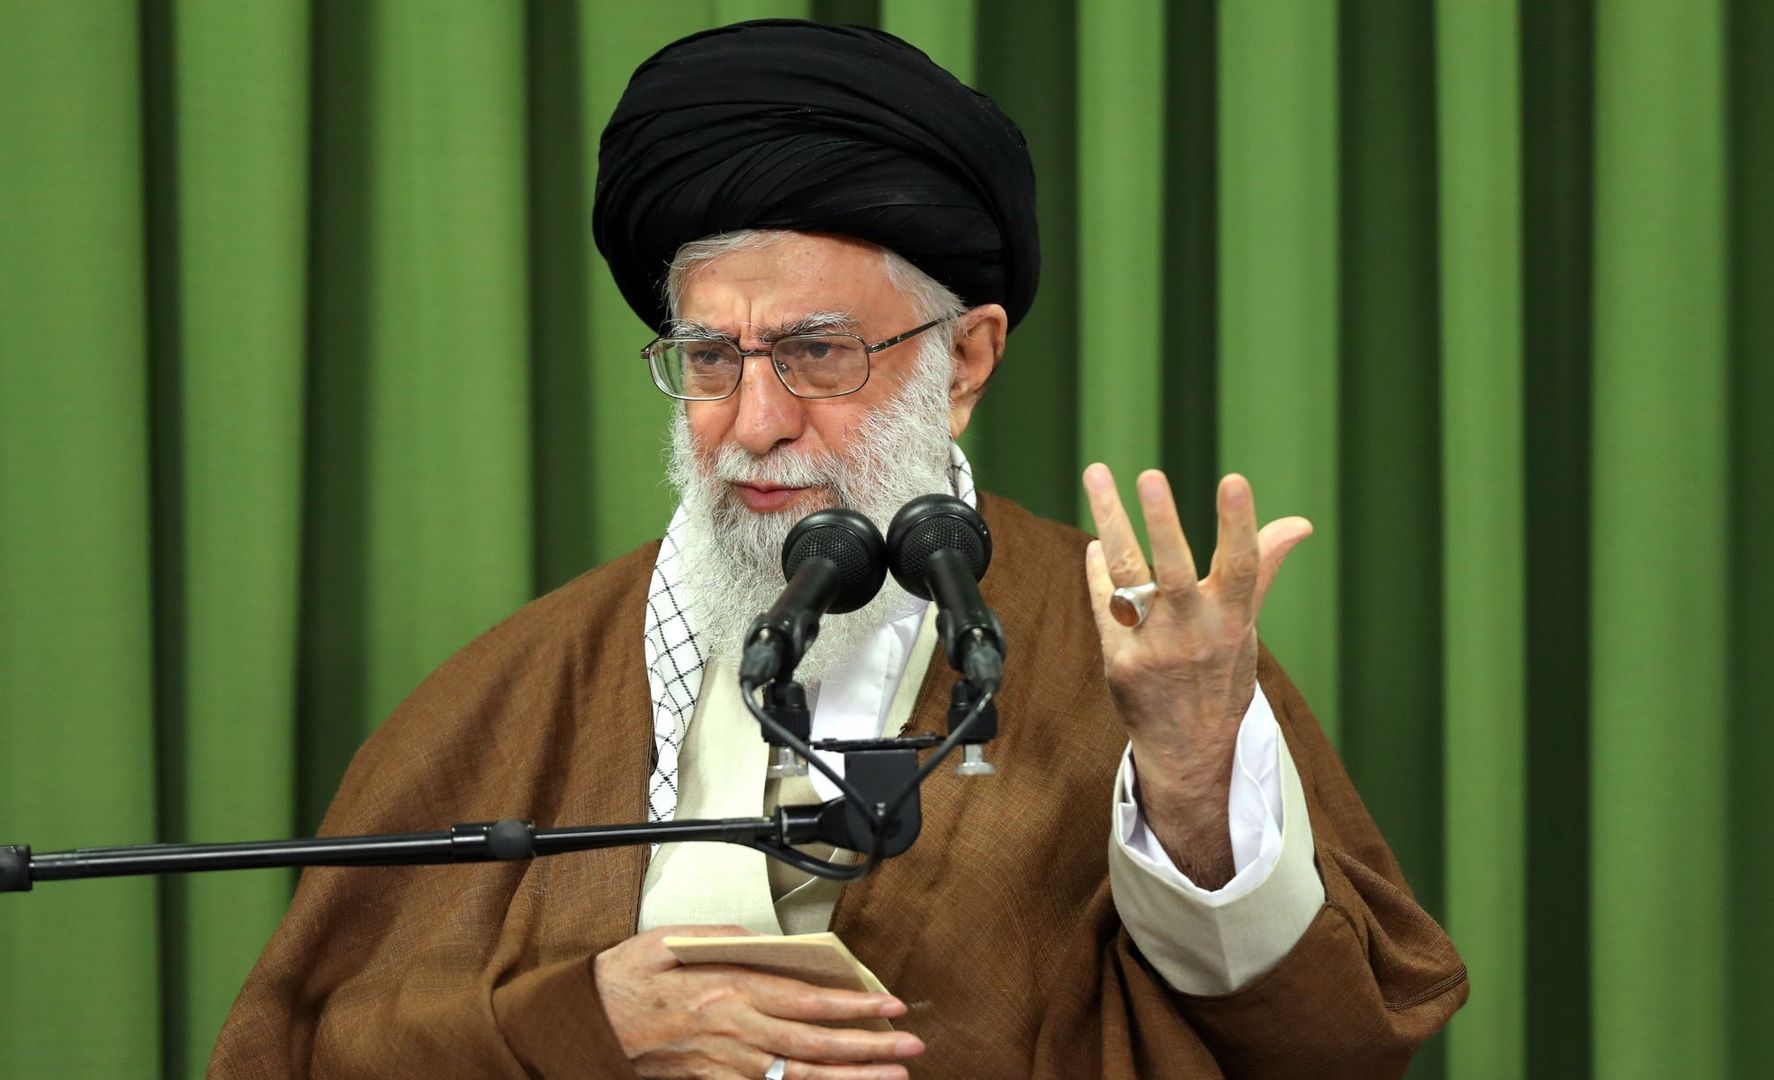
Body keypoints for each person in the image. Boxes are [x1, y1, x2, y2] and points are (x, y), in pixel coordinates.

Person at [211, 19, 1465, 1080]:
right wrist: (586, 1023)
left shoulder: (1131, 654)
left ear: (963, 361)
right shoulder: (527, 682)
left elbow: (1330, 1044)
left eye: (817, 352)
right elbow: (307, 1046)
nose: (754, 421)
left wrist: (1191, 785)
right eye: (711, 358)